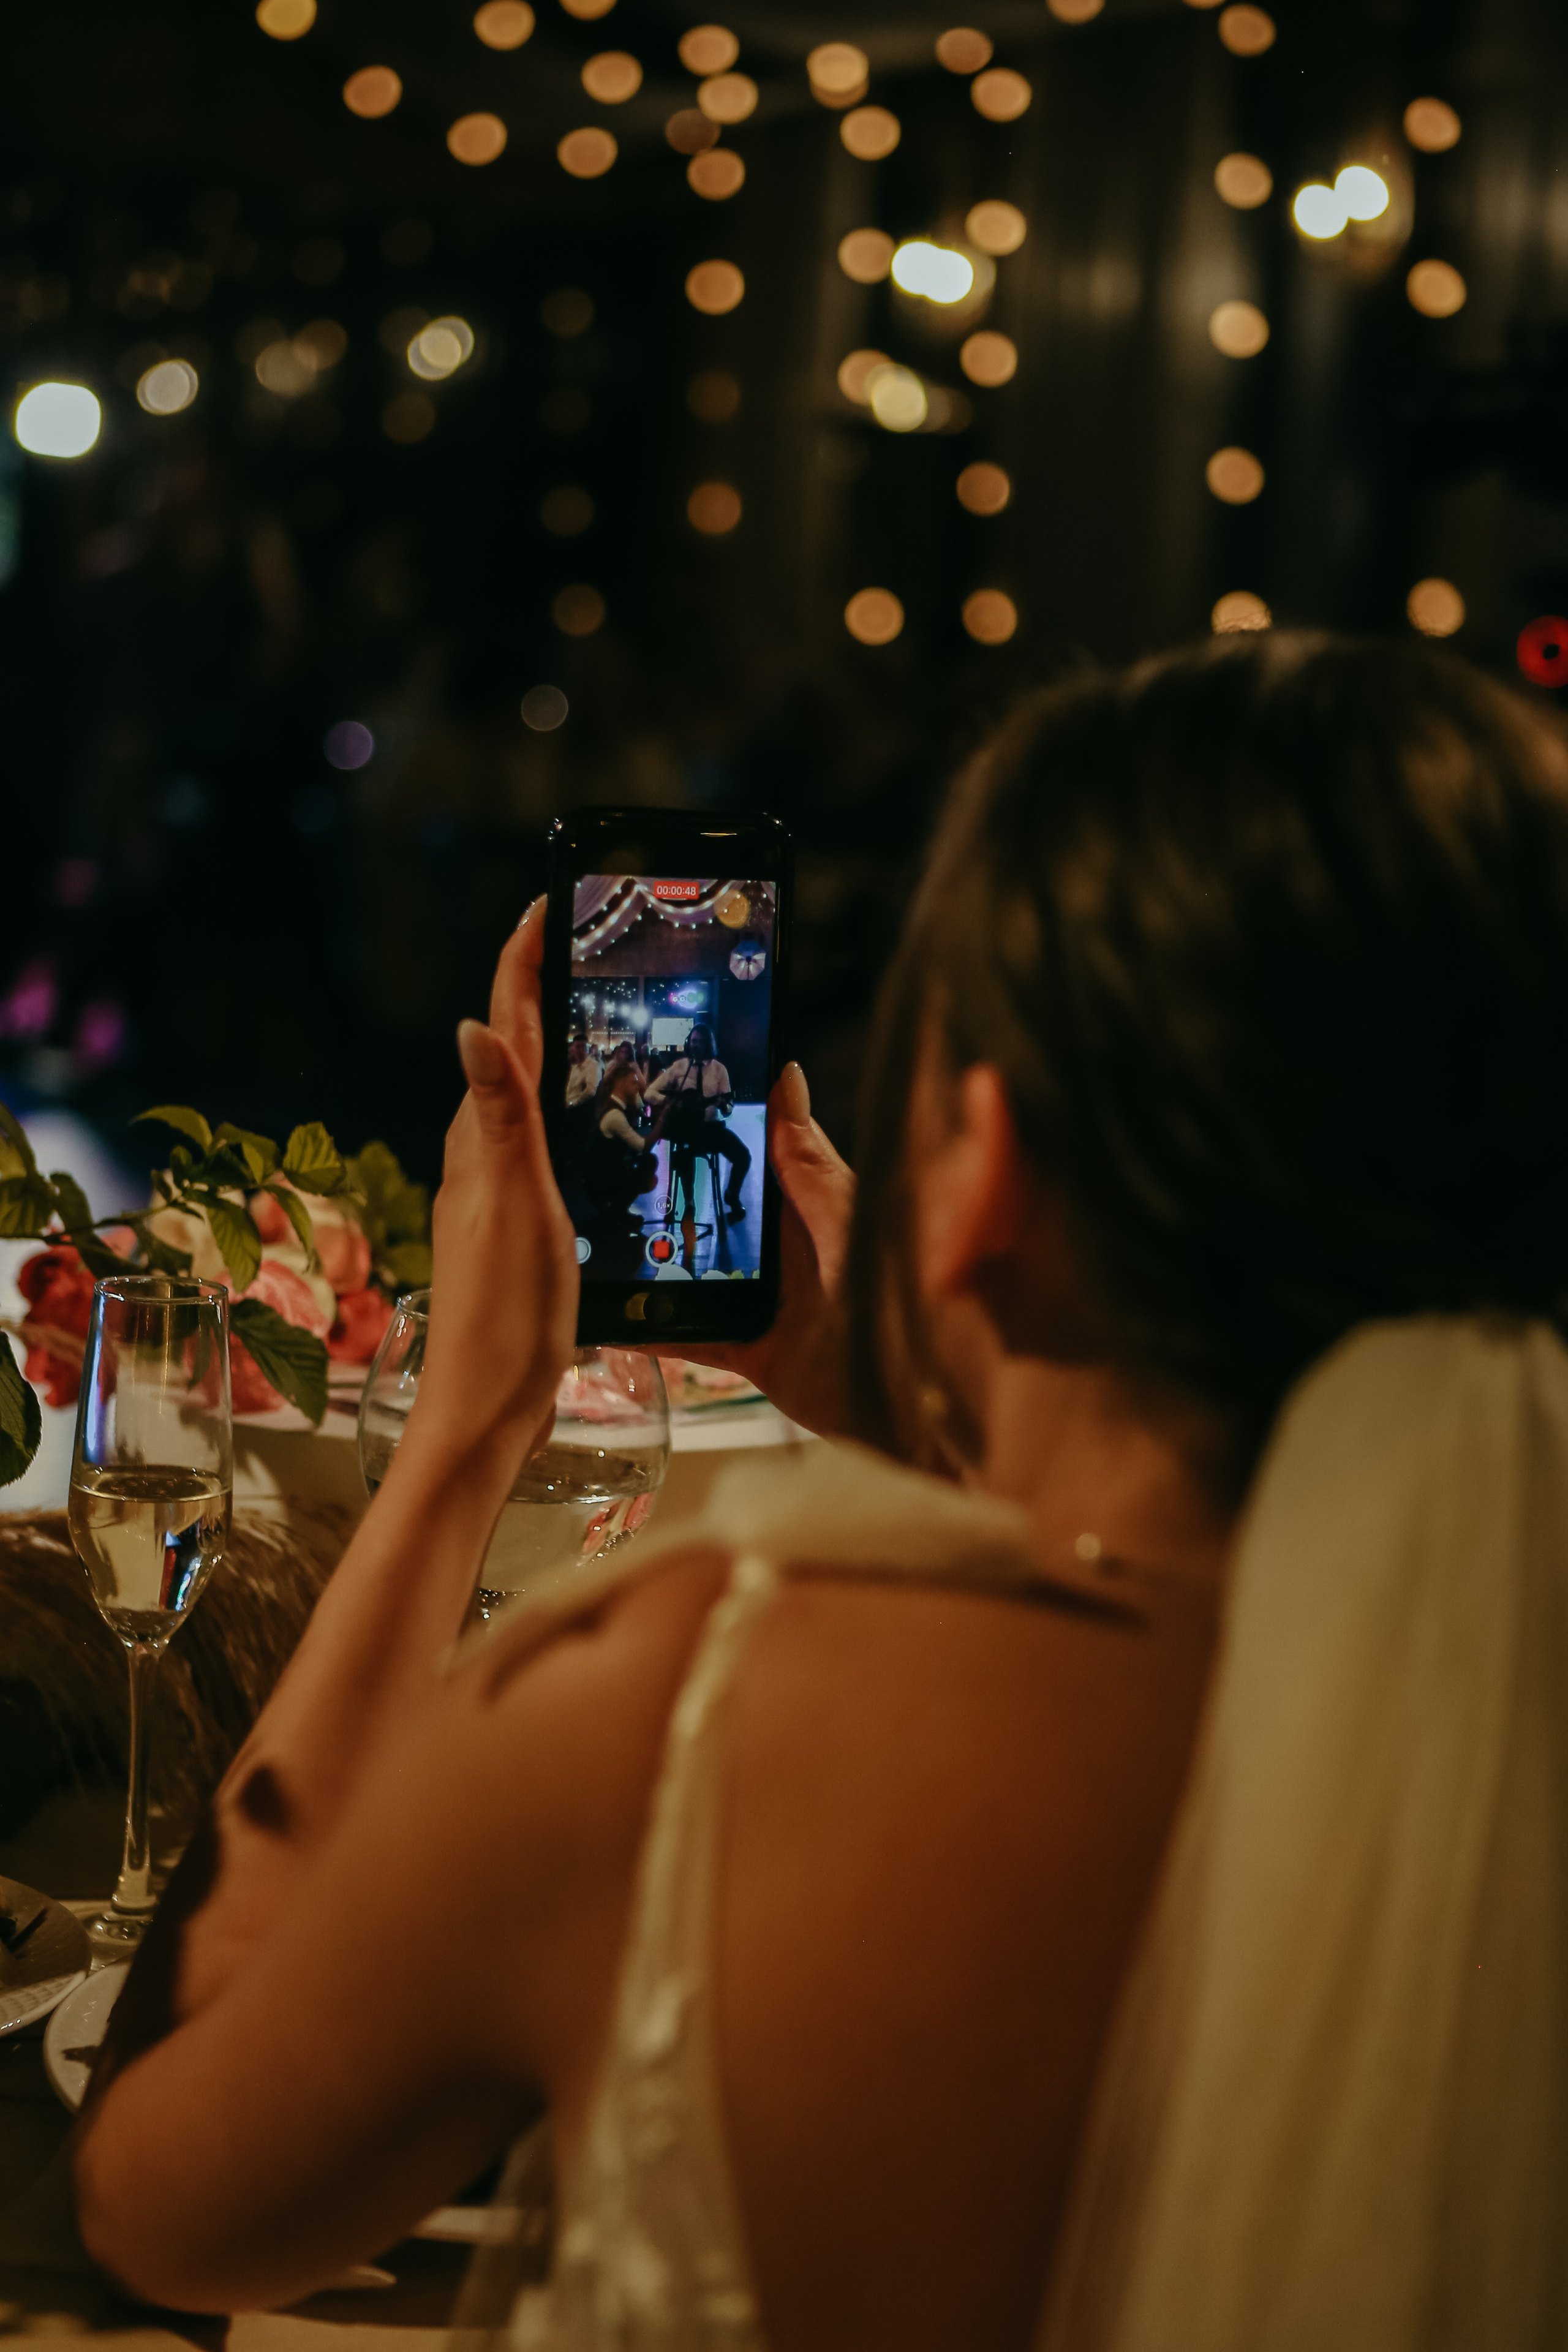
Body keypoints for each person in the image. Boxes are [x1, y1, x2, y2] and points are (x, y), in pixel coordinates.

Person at [75, 636, 1568, 2350]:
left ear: (984, 1162)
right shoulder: (1497, 1735)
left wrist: (466, 1428)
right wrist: (908, 1407)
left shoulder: (674, 1717)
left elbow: (162, 2205)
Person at [646, 1021, 752, 1216]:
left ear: (708, 1045)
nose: (696, 1046)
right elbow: (649, 1093)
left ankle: (732, 1195)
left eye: (701, 1042)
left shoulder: (719, 1070)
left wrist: (723, 1105)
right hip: (684, 1129)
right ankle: (689, 1202)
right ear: (689, 1043)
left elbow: (728, 1109)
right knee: (684, 1151)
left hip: (711, 1129)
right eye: (694, 1041)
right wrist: (668, 1102)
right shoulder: (679, 1067)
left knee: (744, 1156)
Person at [582, 1060, 668, 1221]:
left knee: (646, 1161)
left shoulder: (613, 1107)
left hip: (600, 1173)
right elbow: (643, 1146)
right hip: (601, 1179)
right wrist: (663, 1119)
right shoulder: (615, 1115)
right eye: (633, 1083)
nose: (637, 1088)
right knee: (648, 1162)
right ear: (621, 1084)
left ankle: (618, 1210)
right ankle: (617, 1212)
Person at [563, 1035, 600, 1109]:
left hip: (581, 1108)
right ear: (573, 1049)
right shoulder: (574, 1067)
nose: (580, 1050)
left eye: (583, 1047)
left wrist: (574, 1104)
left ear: (587, 1049)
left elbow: (591, 1091)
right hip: (570, 1106)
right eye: (578, 1047)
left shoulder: (593, 1065)